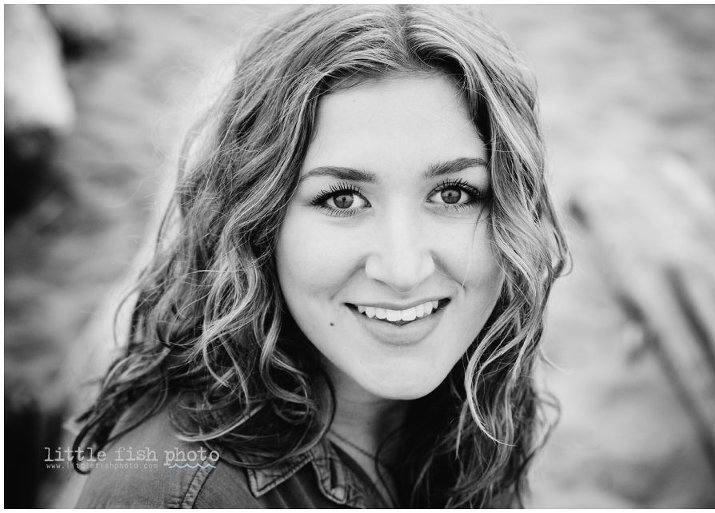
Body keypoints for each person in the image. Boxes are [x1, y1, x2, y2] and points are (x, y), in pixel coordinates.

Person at [73, 4, 568, 508]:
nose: (403, 270)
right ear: (255, 222)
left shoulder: (465, 414)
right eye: (342, 199)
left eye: (454, 194)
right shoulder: (178, 494)